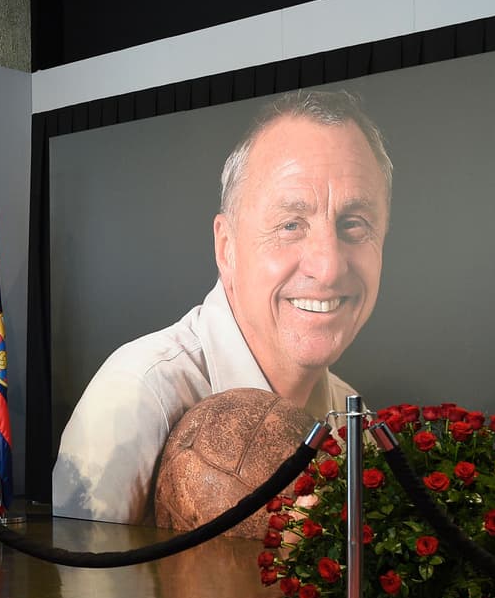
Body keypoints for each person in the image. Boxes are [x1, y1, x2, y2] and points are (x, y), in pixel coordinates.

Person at [53, 89, 391, 524]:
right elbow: (74, 587)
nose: (327, 268)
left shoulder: (352, 421)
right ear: (227, 247)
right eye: (290, 225)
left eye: (354, 224)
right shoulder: (140, 396)